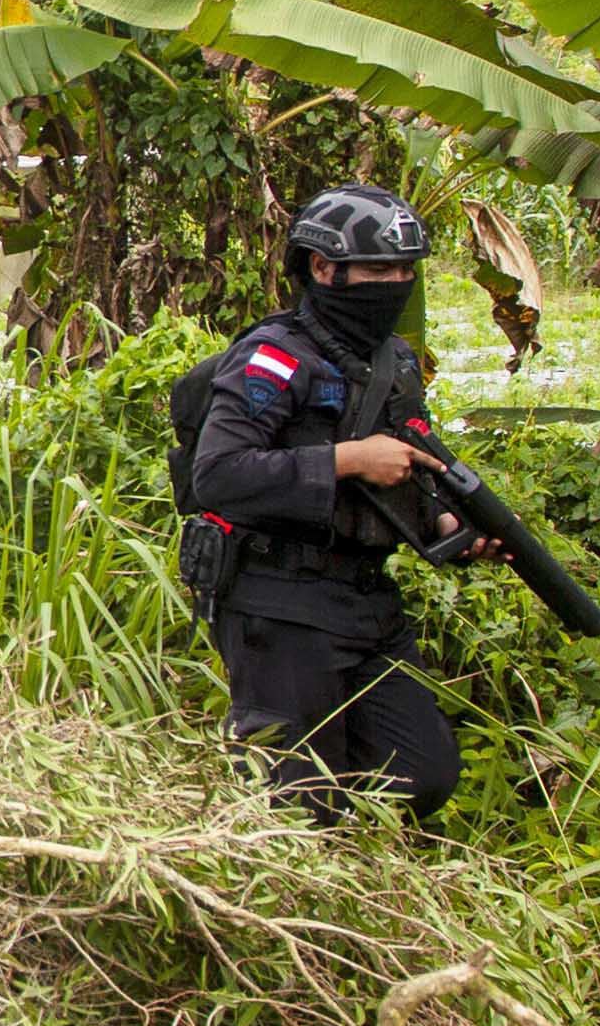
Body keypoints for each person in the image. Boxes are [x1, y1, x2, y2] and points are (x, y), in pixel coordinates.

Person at [186, 183, 490, 824]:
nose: (396, 284)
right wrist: (345, 460)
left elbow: (406, 469)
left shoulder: (396, 360)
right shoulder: (272, 358)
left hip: (366, 602)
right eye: (378, 270)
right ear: (324, 269)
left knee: (423, 773)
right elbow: (218, 474)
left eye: (406, 270)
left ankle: (345, 840)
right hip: (277, 600)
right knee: (297, 804)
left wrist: (444, 522)